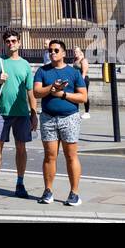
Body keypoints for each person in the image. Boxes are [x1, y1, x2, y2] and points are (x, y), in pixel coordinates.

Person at [0, 29, 38, 200]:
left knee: (21, 148)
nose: (11, 44)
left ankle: (20, 183)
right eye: (8, 41)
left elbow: (30, 91)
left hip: (21, 113)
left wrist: (34, 114)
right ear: (5, 43)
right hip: (2, 112)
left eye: (14, 41)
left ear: (19, 43)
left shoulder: (25, 65)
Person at [33, 40, 88, 206]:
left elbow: (83, 97)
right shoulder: (42, 71)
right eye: (50, 50)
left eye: (56, 50)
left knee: (71, 156)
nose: (52, 53)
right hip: (48, 118)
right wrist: (51, 89)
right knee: (50, 156)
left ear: (64, 53)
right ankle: (48, 191)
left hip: (69, 118)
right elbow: (36, 92)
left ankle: (74, 193)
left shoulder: (74, 73)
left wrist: (63, 95)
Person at [74, 46, 91, 120]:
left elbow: (84, 73)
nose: (75, 53)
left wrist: (81, 82)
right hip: (76, 80)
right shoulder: (75, 60)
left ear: (80, 52)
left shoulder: (83, 60)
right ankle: (75, 111)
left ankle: (87, 112)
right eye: (74, 51)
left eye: (76, 51)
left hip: (83, 79)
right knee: (75, 95)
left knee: (85, 95)